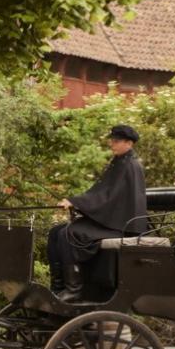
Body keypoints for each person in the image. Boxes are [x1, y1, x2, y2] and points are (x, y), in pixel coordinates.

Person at [47, 124, 148, 301]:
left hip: (122, 226)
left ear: (129, 143)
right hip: (112, 220)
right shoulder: (120, 162)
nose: (112, 144)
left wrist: (76, 201)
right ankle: (58, 286)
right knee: (56, 232)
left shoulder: (130, 166)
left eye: (116, 141)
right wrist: (77, 202)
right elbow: (101, 193)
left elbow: (109, 197)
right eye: (112, 140)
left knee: (68, 233)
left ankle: (75, 289)